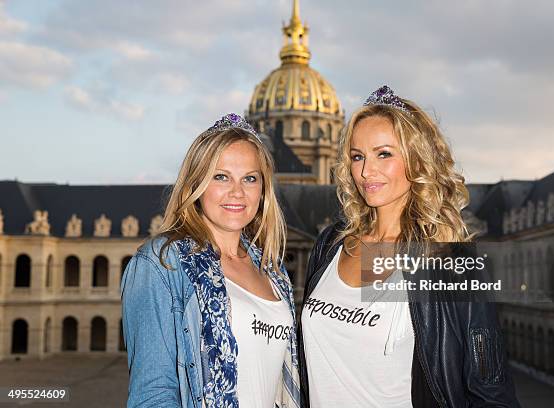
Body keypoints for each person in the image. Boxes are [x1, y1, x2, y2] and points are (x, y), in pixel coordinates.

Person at [299, 86, 520, 407]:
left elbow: (490, 388)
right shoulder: (331, 244)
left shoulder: (451, 262)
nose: (365, 171)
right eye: (357, 156)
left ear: (417, 161)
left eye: (384, 154)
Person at [121, 113, 300, 408]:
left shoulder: (272, 269)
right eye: (221, 176)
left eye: (250, 179)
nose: (237, 192)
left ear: (263, 189)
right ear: (196, 184)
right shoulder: (162, 263)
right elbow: (153, 393)